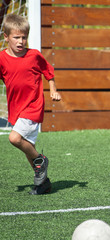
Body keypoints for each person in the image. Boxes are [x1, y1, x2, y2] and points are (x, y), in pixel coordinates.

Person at [0, 14, 61, 195]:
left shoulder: (34, 55)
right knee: (28, 147)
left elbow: (48, 71)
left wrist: (53, 89)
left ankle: (41, 161)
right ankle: (44, 184)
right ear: (6, 37)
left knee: (15, 139)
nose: (20, 41)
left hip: (33, 106)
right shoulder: (2, 58)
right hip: (16, 109)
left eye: (23, 37)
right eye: (16, 37)